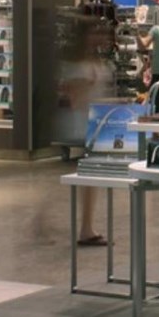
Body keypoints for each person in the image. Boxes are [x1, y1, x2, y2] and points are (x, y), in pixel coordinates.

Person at [58, 16, 115, 244]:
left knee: (90, 177)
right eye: (94, 33)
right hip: (86, 122)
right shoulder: (78, 64)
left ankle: (87, 227)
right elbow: (75, 97)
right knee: (89, 176)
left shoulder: (91, 60)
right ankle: (85, 229)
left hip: (97, 122)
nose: (99, 37)